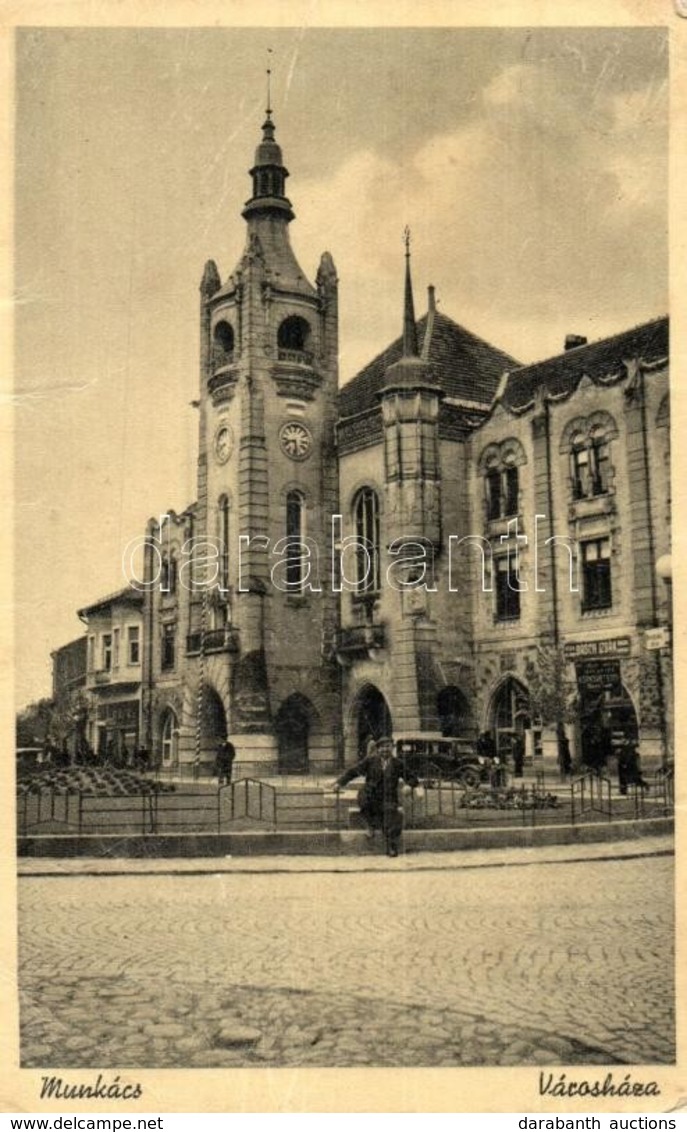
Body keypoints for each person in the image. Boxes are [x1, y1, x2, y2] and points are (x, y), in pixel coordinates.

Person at [330, 736, 420, 857]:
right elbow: (353, 771)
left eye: (388, 746)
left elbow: (413, 778)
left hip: (388, 797)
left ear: (392, 748)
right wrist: (340, 783)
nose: (385, 750)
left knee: (391, 816)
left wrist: (409, 785)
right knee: (366, 803)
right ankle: (369, 825)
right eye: (382, 747)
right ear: (378, 749)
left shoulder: (398, 764)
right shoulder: (370, 761)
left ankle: (391, 846)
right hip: (369, 794)